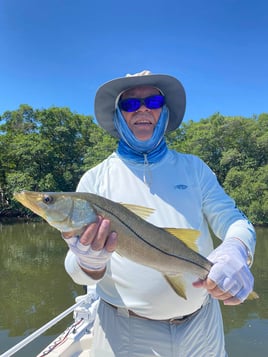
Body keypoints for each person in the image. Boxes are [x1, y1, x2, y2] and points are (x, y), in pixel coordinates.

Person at [63, 70, 256, 356]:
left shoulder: (195, 169)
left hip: (202, 326)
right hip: (124, 332)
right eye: (130, 104)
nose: (142, 109)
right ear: (118, 116)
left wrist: (237, 248)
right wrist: (89, 261)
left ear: (163, 112)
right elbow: (78, 273)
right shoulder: (95, 180)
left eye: (152, 102)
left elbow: (236, 221)